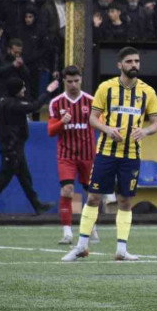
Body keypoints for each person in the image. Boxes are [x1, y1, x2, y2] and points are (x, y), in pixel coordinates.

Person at [61, 47, 157, 262]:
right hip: (106, 152)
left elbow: (155, 124)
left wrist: (144, 131)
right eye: (129, 61)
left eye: (136, 61)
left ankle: (122, 250)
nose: (134, 65)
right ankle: (81, 246)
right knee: (94, 197)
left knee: (125, 201)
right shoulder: (106, 88)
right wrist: (107, 130)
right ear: (119, 65)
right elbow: (93, 118)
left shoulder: (148, 92)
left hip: (132, 154)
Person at [0, 76, 59, 215]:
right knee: (3, 178)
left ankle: (37, 205)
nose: (24, 89)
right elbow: (33, 106)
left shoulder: (7, 102)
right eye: (22, 87)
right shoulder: (11, 104)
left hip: (16, 146)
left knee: (24, 177)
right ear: (16, 90)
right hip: (11, 148)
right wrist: (48, 91)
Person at [47, 65, 97, 244]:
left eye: (76, 81)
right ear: (64, 82)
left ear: (81, 80)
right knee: (68, 191)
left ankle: (90, 226)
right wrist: (61, 122)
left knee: (91, 194)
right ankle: (67, 232)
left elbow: (102, 124)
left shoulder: (91, 101)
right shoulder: (56, 103)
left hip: (87, 154)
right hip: (66, 154)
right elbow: (51, 131)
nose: (74, 85)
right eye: (70, 81)